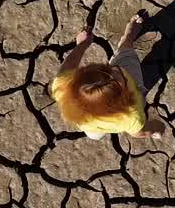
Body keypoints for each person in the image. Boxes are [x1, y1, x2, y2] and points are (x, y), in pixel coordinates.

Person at [50, 11, 165, 140]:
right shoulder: (131, 114)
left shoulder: (63, 89)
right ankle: (128, 38)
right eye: (120, 79)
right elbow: (140, 132)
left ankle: (96, 134)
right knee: (125, 51)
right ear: (121, 99)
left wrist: (82, 44)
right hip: (132, 96)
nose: (115, 70)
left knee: (94, 134)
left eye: (106, 70)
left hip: (89, 126)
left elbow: (68, 66)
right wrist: (157, 128)